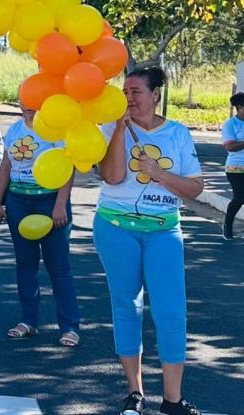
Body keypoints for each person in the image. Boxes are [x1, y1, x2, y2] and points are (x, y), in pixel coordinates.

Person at [94, 67, 203, 415]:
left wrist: (159, 174)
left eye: (136, 91)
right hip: (115, 227)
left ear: (156, 94)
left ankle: (173, 399)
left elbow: (195, 189)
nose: (129, 98)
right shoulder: (111, 128)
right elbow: (111, 177)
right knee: (127, 306)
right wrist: (119, 132)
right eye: (124, 92)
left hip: (163, 231)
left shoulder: (178, 134)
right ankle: (135, 392)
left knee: (171, 312)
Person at [0, 103, 81, 345]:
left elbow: (67, 167)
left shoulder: (55, 131)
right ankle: (28, 321)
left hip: (50, 201)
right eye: (25, 103)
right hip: (19, 200)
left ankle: (69, 327)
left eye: (34, 104)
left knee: (59, 267)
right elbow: (6, 166)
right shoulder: (14, 130)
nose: (28, 108)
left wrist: (61, 204)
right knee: (25, 264)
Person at [221, 92, 244, 239]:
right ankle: (227, 226)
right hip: (236, 168)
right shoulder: (230, 124)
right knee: (240, 198)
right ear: (240, 107)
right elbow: (230, 146)